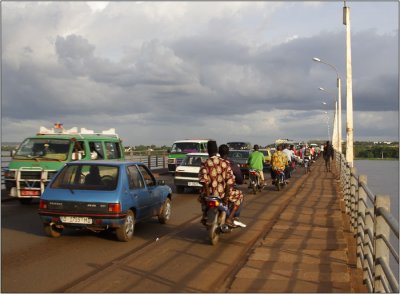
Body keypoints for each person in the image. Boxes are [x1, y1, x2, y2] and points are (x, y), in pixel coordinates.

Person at [198, 140, 238, 227]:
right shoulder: (225, 163)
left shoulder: (204, 163)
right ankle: (229, 218)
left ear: (207, 150)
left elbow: (203, 182)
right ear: (216, 150)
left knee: (201, 196)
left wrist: (208, 196)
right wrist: (225, 198)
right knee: (239, 196)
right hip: (222, 195)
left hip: (208, 196)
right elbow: (229, 182)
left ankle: (205, 214)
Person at [218, 144, 246, 227]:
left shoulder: (214, 162)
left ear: (219, 153)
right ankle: (232, 217)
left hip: (214, 190)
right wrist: (240, 181)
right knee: (240, 195)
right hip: (226, 191)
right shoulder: (231, 163)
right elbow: (239, 178)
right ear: (228, 153)